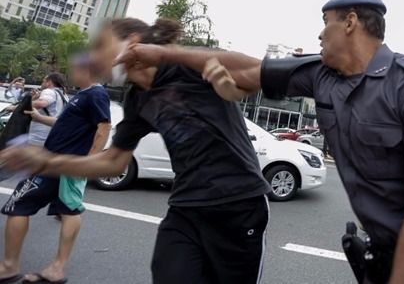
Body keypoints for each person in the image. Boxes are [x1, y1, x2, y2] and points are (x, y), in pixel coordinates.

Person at [111, 0, 404, 283]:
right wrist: (164, 53)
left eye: (326, 22)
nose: (319, 33)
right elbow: (247, 70)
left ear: (351, 21)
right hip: (385, 262)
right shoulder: (321, 75)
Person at [0, 18, 271, 284]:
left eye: (100, 45)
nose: (93, 56)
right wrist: (45, 162)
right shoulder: (137, 98)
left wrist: (165, 53)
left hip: (239, 203)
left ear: (131, 43)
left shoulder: (186, 65)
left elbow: (257, 71)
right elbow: (114, 161)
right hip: (185, 208)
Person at [0, 56, 111, 284]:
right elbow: (63, 123)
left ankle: (10, 266)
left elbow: (104, 127)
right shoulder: (82, 94)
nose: (71, 74)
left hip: (59, 163)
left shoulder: (95, 93)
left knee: (17, 206)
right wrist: (39, 117)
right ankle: (56, 268)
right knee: (69, 209)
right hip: (58, 163)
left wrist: (89, 162)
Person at [27, 73, 68, 146]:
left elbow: (41, 104)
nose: (42, 83)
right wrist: (34, 98)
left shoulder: (48, 91)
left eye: (43, 81)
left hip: (39, 134)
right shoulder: (64, 95)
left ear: (49, 82)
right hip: (53, 132)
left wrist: (20, 106)